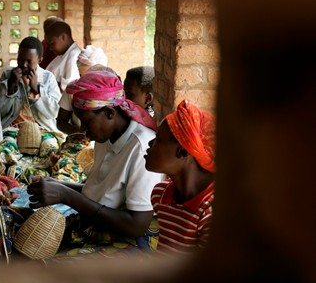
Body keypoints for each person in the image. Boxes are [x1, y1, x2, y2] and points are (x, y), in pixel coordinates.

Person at [29, 70, 161, 239]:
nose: (84, 132)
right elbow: (100, 192)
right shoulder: (106, 136)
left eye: (87, 122)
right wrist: (59, 186)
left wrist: (65, 195)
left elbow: (136, 226)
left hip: (126, 238)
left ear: (109, 113)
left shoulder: (142, 148)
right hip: (97, 222)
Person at [144, 99, 215, 255]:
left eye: (158, 140)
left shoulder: (211, 211)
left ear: (182, 151)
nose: (149, 143)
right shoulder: (160, 196)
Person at [0, 36, 61, 132]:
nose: (24, 64)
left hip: (42, 129)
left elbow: (54, 112)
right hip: (12, 129)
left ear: (40, 60)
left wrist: (36, 89)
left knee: (49, 146)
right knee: (6, 146)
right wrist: (11, 86)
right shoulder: (8, 75)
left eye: (29, 61)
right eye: (21, 59)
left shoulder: (48, 78)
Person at [57, 46, 109, 134]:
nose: (85, 82)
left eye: (91, 78)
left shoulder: (112, 94)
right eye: (82, 76)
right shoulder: (72, 90)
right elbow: (61, 122)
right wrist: (78, 133)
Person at [45, 20, 82, 93]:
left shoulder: (74, 56)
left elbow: (69, 88)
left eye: (52, 43)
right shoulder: (62, 55)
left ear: (63, 37)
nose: (50, 48)